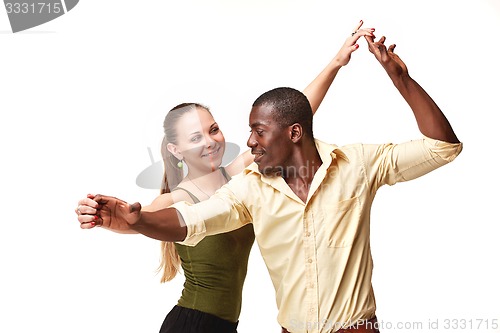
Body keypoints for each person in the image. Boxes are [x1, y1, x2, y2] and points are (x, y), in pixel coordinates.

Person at [76, 21, 377, 333]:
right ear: (176, 150)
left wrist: (337, 62)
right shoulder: (177, 198)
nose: (209, 141)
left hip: (226, 326)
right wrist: (103, 217)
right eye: (195, 138)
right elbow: (136, 220)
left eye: (214, 129)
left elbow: (292, 115)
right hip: (191, 325)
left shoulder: (240, 175)